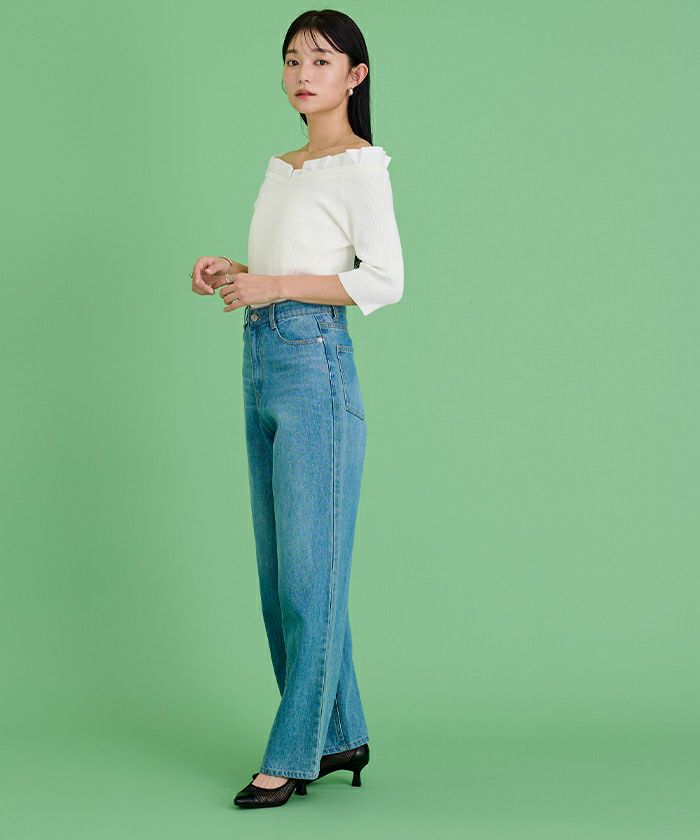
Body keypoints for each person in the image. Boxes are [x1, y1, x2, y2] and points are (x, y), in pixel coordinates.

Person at [190, 9, 404, 809]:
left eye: (320, 60)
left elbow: (383, 279)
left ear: (355, 75)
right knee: (281, 577)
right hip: (262, 357)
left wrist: (275, 286)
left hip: (316, 364)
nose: (302, 74)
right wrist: (234, 271)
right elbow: (288, 262)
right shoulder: (285, 167)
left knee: (310, 580)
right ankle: (341, 731)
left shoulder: (361, 165)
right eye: (291, 60)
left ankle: (292, 754)